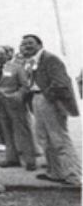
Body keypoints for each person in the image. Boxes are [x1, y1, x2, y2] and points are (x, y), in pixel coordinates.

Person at [21, 34, 81, 186]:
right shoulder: (31, 62)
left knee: (59, 138)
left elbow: (60, 83)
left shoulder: (50, 59)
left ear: (40, 44)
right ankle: (55, 172)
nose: (27, 46)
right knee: (44, 138)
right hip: (37, 99)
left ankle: (74, 175)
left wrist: (48, 96)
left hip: (49, 100)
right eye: (24, 44)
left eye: (30, 43)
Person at [0, 45, 36, 171]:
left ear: (7, 55)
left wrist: (17, 96)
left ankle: (30, 161)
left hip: (14, 104)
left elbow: (25, 86)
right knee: (6, 131)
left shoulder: (16, 68)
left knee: (22, 132)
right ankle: (12, 158)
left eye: (1, 54)